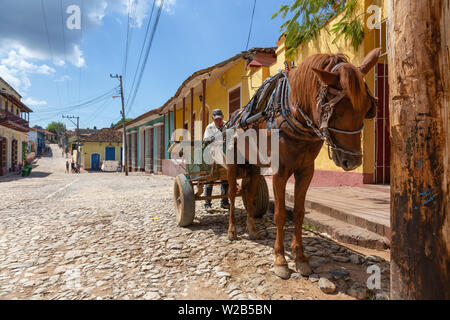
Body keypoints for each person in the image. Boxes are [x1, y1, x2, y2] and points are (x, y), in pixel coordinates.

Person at [203, 109, 230, 212]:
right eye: (216, 119)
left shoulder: (227, 125)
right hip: (213, 154)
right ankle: (207, 204)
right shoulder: (209, 127)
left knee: (225, 180)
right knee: (210, 179)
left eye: (220, 119)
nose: (218, 121)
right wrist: (212, 139)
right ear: (213, 119)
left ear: (223, 117)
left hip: (226, 154)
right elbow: (206, 140)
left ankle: (224, 202)